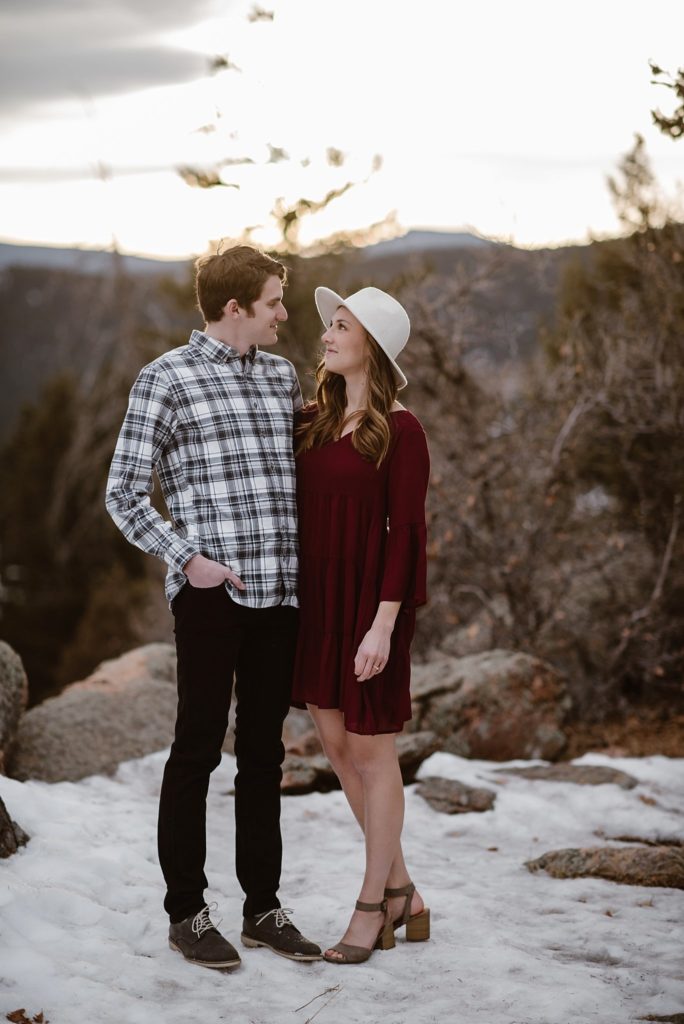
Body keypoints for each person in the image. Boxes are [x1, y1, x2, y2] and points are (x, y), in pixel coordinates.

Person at [105, 245, 321, 969]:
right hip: (212, 597)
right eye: (273, 302)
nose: (284, 314)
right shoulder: (165, 379)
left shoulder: (282, 377)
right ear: (235, 309)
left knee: (263, 754)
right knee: (197, 750)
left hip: (280, 593)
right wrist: (187, 559)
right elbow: (124, 492)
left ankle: (263, 907)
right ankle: (187, 913)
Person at [292, 285, 431, 964]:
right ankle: (405, 891)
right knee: (338, 751)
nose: (326, 335)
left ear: (368, 344)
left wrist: (381, 628)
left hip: (370, 609)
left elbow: (406, 536)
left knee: (374, 755)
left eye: (340, 326)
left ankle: (373, 905)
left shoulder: (402, 431)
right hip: (317, 605)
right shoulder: (312, 420)